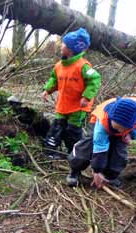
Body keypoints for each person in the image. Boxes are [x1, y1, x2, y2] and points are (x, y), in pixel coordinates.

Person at [66, 96, 136, 188]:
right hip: (99, 123)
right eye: (117, 128)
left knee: (118, 153)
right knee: (87, 146)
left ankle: (109, 176)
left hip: (127, 132)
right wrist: (97, 170)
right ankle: (75, 170)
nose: (119, 131)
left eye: (122, 128)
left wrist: (132, 134)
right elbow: (99, 147)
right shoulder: (103, 122)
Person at [42, 27, 101, 158]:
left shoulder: (83, 66)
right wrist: (47, 90)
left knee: (72, 130)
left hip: (77, 107)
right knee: (56, 128)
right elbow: (54, 79)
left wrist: (86, 97)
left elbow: (95, 79)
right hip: (62, 105)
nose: (61, 46)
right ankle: (50, 152)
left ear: (71, 49)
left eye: (64, 44)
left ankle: (74, 155)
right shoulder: (59, 65)